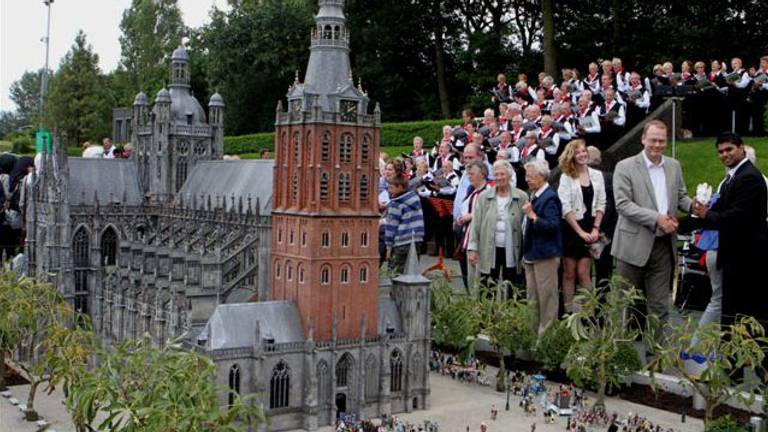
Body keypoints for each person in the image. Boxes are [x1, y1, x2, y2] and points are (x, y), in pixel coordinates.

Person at [611, 120, 692, 340]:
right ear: (643, 139)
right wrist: (657, 218)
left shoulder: (673, 165)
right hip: (632, 246)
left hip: (663, 246)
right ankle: (617, 354)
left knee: (659, 306)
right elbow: (623, 204)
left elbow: (681, 196)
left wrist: (695, 206)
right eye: (653, 140)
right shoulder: (625, 166)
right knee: (624, 303)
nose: (657, 145)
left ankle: (655, 362)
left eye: (662, 141)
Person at [690, 132, 768, 326]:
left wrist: (704, 214)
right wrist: (678, 222)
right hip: (734, 257)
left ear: (741, 148)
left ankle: (737, 355)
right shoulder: (732, 178)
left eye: (729, 149)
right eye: (721, 152)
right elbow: (715, 211)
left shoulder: (748, 177)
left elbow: (735, 218)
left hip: (746, 259)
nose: (725, 155)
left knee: (740, 316)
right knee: (730, 313)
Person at [557, 140, 606, 313]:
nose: (582, 154)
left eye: (584, 151)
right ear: (572, 155)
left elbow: (601, 203)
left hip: (591, 226)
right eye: (578, 152)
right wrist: (580, 232)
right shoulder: (566, 177)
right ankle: (568, 312)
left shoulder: (597, 175)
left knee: (584, 272)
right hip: (571, 228)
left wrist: (595, 229)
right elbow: (565, 207)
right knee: (569, 272)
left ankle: (588, 314)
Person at [467, 160, 527, 296]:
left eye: (502, 174)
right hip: (489, 247)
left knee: (512, 286)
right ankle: (488, 315)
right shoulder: (484, 197)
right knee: (487, 285)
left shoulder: (521, 197)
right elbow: (476, 223)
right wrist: (473, 248)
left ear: (510, 176)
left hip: (512, 247)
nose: (499, 177)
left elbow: (525, 225)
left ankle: (510, 315)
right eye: (496, 174)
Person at [521, 159, 562, 335]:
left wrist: (532, 216)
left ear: (541, 176)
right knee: (533, 298)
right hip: (532, 254)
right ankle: (532, 335)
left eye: (530, 176)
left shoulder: (550, 197)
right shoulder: (535, 194)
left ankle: (546, 337)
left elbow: (552, 226)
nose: (527, 179)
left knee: (547, 299)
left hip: (545, 255)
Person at [586, 146, 617, 288]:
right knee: (603, 273)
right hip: (604, 231)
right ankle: (600, 306)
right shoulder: (610, 178)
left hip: (598, 230)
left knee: (597, 272)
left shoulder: (606, 179)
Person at [383, 175, 425, 274]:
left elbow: (391, 227)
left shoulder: (395, 204)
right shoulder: (415, 199)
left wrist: (388, 246)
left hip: (401, 242)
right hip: (416, 240)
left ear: (400, 187)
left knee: (396, 272)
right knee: (412, 272)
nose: (389, 191)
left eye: (391, 188)